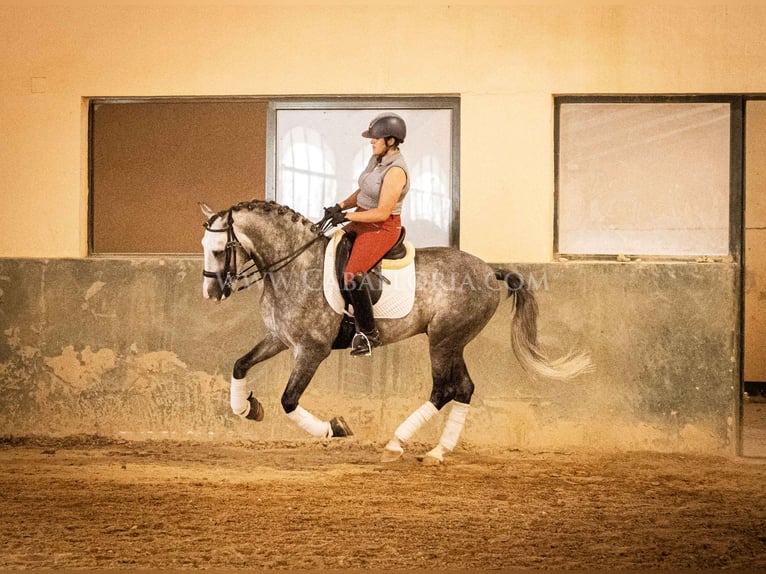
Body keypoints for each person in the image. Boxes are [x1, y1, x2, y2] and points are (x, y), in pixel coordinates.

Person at [325, 112, 410, 356]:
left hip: (381, 227)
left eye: (376, 139)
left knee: (352, 273)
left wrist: (349, 217)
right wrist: (340, 206)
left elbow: (382, 213)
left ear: (391, 141)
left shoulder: (396, 171)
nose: (371, 142)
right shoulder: (377, 160)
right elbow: (363, 191)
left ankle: (368, 333)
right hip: (363, 218)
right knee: (328, 249)